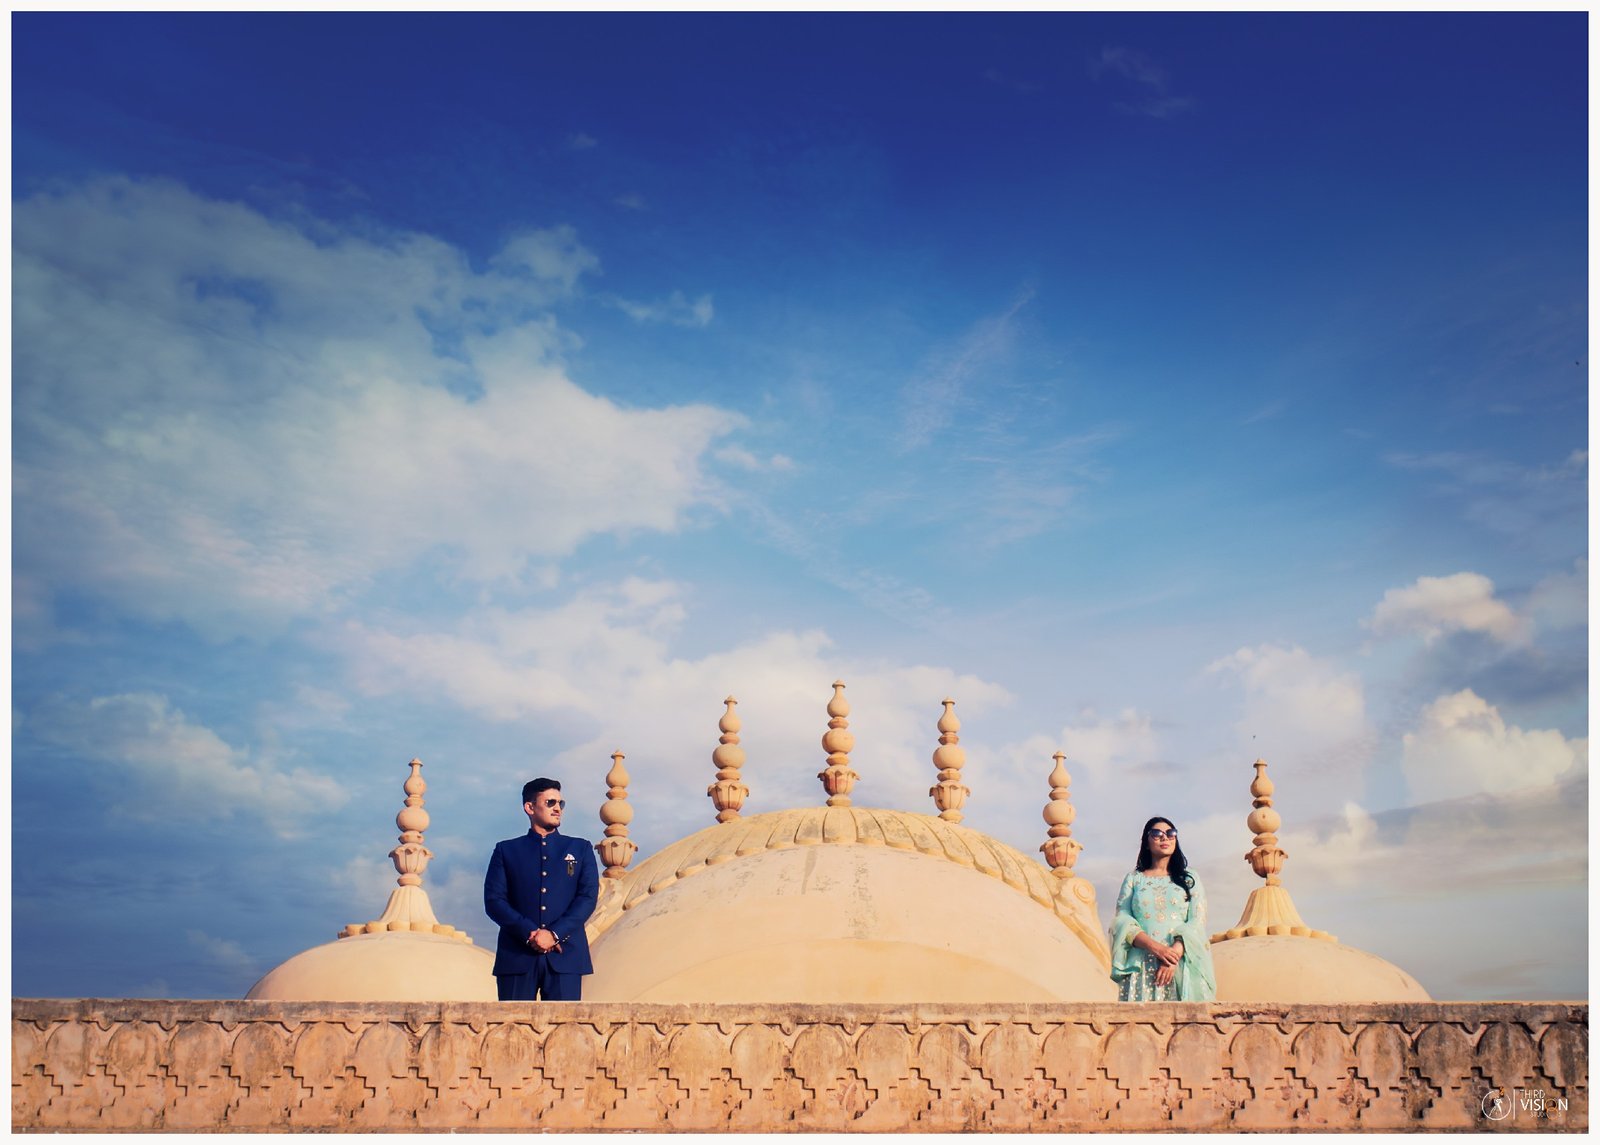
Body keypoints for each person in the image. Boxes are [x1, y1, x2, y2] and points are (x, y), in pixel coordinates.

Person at [484, 777, 600, 1000]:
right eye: (550, 803)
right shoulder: (506, 850)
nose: (557, 809)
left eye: (560, 803)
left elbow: (587, 898)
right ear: (529, 807)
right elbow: (494, 901)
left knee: (564, 1032)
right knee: (511, 1030)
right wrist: (530, 934)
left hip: (566, 957)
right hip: (517, 956)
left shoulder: (580, 848)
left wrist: (554, 934)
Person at [1109, 816, 1216, 1001]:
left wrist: (1172, 956)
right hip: (1142, 965)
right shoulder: (1134, 879)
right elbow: (1123, 920)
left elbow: (1197, 919)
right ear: (1147, 843)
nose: (1165, 838)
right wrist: (1155, 948)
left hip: (1181, 961)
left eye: (1170, 833)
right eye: (1157, 834)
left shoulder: (1189, 878)